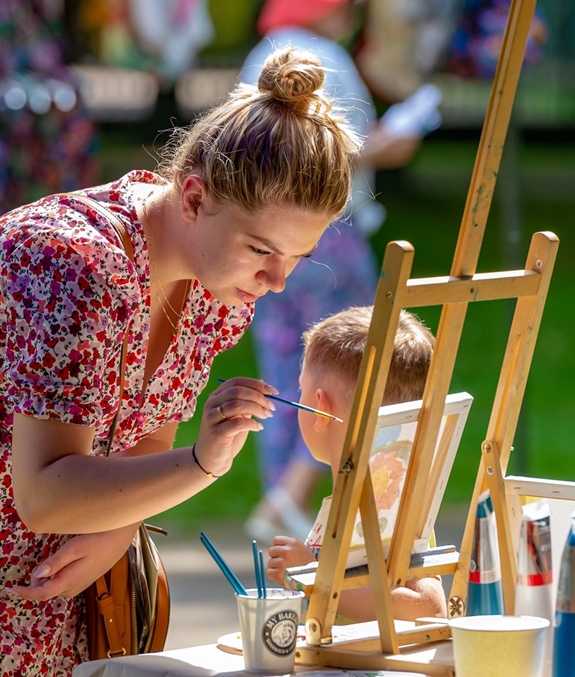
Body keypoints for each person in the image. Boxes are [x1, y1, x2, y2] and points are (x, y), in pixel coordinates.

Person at [0, 46, 361, 676]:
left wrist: (119, 527)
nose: (277, 280)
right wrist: (203, 464)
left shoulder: (220, 283)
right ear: (195, 198)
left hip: (39, 571)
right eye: (262, 249)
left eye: (297, 257)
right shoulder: (76, 264)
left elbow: (144, 448)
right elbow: (46, 492)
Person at [240, 0, 438, 543]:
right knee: (357, 363)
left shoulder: (262, 56)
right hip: (330, 231)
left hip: (266, 233)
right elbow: (342, 150)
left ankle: (284, 498)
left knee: (289, 367)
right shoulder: (325, 57)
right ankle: (298, 500)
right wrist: (393, 143)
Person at [264, 306, 448, 622]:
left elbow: (429, 608)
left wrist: (313, 577)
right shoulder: (352, 497)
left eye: (301, 391)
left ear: (320, 407)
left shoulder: (387, 504)